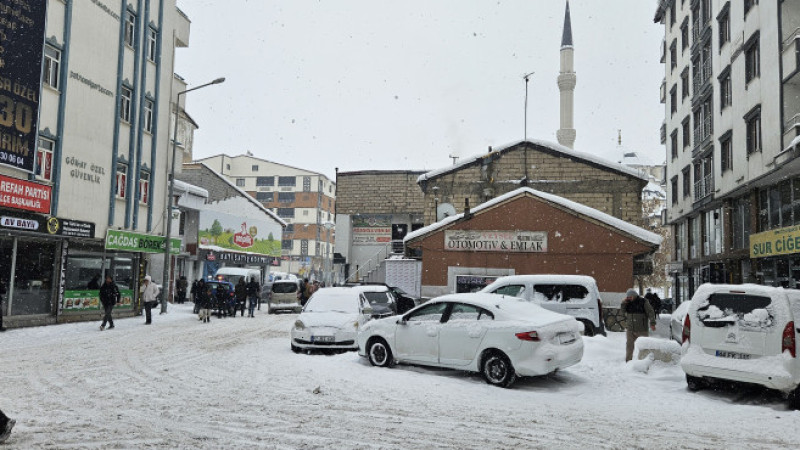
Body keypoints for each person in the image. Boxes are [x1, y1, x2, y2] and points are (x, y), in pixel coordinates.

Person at [621, 288, 656, 362]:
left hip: (642, 329)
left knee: (645, 346)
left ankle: (645, 361)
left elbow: (650, 312)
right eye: (627, 297)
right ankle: (628, 361)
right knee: (629, 345)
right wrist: (623, 303)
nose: (629, 298)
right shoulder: (627, 302)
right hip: (630, 329)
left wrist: (652, 323)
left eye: (630, 297)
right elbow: (622, 312)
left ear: (634, 295)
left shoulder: (643, 301)